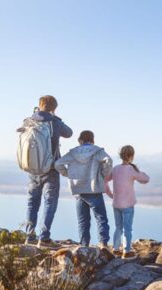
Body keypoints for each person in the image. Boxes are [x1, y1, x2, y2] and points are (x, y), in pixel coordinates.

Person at [17, 95, 73, 248]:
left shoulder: (28, 120)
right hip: (51, 169)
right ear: (54, 108)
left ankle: (29, 236)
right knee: (49, 203)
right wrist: (55, 117)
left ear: (39, 105)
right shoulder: (55, 122)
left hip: (33, 169)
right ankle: (44, 238)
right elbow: (69, 133)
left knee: (32, 202)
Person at [55, 130, 112, 248]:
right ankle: (103, 244)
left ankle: (84, 245)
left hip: (79, 190)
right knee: (101, 219)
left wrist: (68, 174)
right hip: (94, 189)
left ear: (80, 140)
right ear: (92, 140)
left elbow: (57, 164)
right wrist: (103, 174)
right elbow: (109, 161)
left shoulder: (73, 152)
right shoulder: (98, 151)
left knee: (83, 221)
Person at [105, 145, 150, 258]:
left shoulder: (115, 169)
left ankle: (115, 250)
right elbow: (146, 179)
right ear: (131, 156)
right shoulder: (131, 170)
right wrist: (140, 172)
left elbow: (104, 181)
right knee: (128, 228)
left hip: (116, 204)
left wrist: (111, 194)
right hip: (128, 205)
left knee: (118, 227)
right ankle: (126, 251)